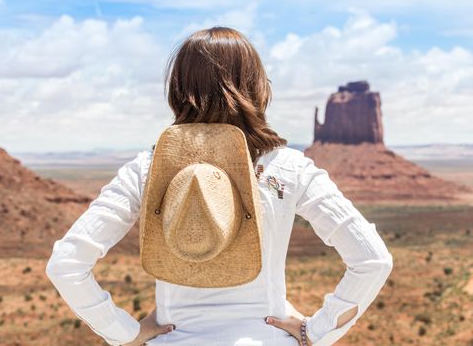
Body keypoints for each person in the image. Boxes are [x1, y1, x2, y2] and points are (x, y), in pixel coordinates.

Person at [45, 26, 393, 346]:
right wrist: (316, 331)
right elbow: (372, 260)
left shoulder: (147, 170)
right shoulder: (289, 168)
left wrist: (124, 332)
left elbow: (67, 264)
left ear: (178, 89)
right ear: (257, 86)